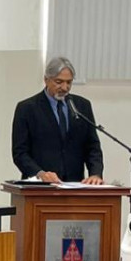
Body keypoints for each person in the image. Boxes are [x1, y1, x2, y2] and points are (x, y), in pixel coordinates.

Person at [11, 56, 104, 184]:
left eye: (69, 82)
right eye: (59, 82)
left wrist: (95, 174)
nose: (65, 87)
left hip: (75, 185)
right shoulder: (27, 108)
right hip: (40, 186)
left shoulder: (82, 106)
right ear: (46, 80)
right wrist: (40, 174)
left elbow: (92, 147)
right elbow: (20, 153)